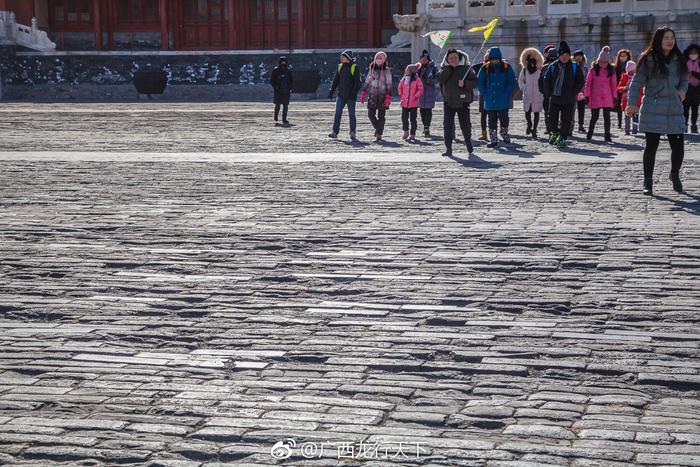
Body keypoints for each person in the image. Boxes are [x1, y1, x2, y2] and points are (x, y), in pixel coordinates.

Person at [627, 26, 689, 195]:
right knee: (651, 146)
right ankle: (648, 181)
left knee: (678, 147)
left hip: (674, 107)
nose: (670, 41)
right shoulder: (648, 59)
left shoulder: (679, 58)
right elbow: (636, 83)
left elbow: (684, 78)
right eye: (666, 37)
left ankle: (674, 174)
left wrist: (682, 91)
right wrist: (631, 104)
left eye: (672, 37)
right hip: (653, 107)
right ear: (658, 40)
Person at [543, 41, 585, 148]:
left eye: (567, 55)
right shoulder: (552, 66)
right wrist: (548, 93)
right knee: (552, 119)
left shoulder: (574, 67)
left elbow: (580, 81)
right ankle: (555, 133)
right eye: (563, 55)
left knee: (566, 120)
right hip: (555, 98)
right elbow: (547, 80)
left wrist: (574, 91)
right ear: (559, 55)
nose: (565, 57)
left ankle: (562, 137)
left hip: (568, 99)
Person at [437, 48, 477, 156]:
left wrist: (464, 84)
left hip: (463, 102)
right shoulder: (444, 69)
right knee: (448, 126)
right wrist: (449, 69)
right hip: (448, 102)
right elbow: (440, 79)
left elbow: (474, 82)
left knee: (465, 125)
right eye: (451, 58)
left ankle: (468, 142)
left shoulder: (466, 69)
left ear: (459, 58)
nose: (454, 59)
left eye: (455, 57)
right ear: (447, 59)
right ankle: (448, 148)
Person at [477, 47, 517, 148]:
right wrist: (484, 93)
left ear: (499, 58)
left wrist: (507, 92)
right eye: (493, 59)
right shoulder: (485, 68)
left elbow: (512, 80)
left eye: (496, 59)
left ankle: (504, 132)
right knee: (491, 120)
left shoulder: (506, 67)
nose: (494, 61)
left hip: (503, 99)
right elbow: (480, 82)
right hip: (490, 99)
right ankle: (493, 138)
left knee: (504, 119)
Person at [585, 46, 618, 143]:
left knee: (607, 116)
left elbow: (613, 84)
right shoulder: (593, 70)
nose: (603, 64)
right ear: (598, 61)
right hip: (595, 96)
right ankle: (590, 132)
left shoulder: (611, 71)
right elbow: (588, 83)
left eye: (605, 62)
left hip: (607, 96)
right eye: (601, 61)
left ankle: (607, 134)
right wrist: (587, 95)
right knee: (594, 116)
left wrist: (614, 97)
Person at [329, 49, 362, 139]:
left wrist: (353, 94)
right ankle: (334, 132)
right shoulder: (340, 66)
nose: (341, 58)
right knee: (337, 113)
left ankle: (352, 132)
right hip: (341, 95)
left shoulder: (355, 67)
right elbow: (336, 80)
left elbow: (358, 83)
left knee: (352, 115)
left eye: (343, 56)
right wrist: (332, 91)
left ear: (348, 58)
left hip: (351, 96)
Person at [360, 51, 392, 142]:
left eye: (380, 58)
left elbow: (389, 84)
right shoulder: (372, 69)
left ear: (384, 59)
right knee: (370, 115)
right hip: (373, 95)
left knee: (381, 116)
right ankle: (379, 129)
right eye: (377, 58)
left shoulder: (387, 70)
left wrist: (388, 96)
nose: (378, 60)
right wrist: (363, 92)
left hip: (383, 96)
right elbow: (367, 81)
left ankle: (379, 134)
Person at [518, 47, 545, 139]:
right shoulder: (525, 70)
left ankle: (534, 129)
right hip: (528, 94)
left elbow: (543, 81)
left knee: (536, 113)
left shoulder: (540, 69)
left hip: (538, 94)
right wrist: (524, 88)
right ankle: (529, 124)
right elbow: (520, 80)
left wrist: (542, 89)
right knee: (527, 112)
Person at [398, 62, 424, 142]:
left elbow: (420, 89)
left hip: (414, 103)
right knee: (404, 118)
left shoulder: (417, 79)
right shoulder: (404, 79)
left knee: (413, 119)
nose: (405, 71)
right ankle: (406, 131)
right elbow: (400, 88)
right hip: (404, 103)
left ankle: (412, 134)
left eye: (407, 69)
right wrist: (401, 96)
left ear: (411, 71)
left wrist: (416, 96)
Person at [417, 50, 439, 137]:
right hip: (420, 92)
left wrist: (431, 81)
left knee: (428, 110)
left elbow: (437, 78)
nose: (423, 60)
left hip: (429, 91)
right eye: (422, 58)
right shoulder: (418, 67)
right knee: (422, 110)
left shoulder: (433, 67)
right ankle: (424, 126)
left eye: (425, 58)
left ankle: (427, 127)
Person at [618, 60, 642, 135]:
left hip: (636, 99)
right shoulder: (624, 77)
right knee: (627, 116)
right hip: (626, 100)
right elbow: (619, 88)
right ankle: (627, 129)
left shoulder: (638, 77)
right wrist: (625, 88)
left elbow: (641, 87)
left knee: (635, 115)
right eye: (632, 70)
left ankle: (635, 129)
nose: (633, 71)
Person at [539, 45, 559, 134]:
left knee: (548, 112)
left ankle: (550, 128)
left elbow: (540, 81)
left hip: (549, 93)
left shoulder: (544, 67)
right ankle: (551, 127)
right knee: (552, 111)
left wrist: (542, 90)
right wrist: (542, 90)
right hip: (551, 93)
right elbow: (540, 81)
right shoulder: (545, 67)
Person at [270, 56, 293, 124]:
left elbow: (291, 80)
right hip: (278, 90)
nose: (283, 63)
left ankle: (284, 119)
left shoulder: (288, 70)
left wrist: (290, 87)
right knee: (278, 105)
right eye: (282, 62)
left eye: (284, 62)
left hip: (286, 90)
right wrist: (275, 86)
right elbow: (272, 80)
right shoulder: (275, 70)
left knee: (285, 106)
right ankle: (276, 115)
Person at [613, 48, 633, 129]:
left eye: (624, 56)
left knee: (628, 105)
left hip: (628, 88)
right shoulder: (615, 67)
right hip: (619, 88)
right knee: (619, 106)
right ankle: (619, 123)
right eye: (621, 56)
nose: (623, 57)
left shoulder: (631, 66)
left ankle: (629, 123)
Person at [683, 44, 700, 134]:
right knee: (685, 109)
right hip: (686, 88)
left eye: (695, 53)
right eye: (691, 53)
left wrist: (693, 73)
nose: (693, 54)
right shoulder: (685, 62)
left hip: (697, 89)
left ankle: (694, 125)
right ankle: (684, 125)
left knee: (695, 109)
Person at [472, 53, 489, 141]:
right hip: (482, 94)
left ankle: (492, 132)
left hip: (492, 94)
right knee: (483, 114)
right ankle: (484, 133)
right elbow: (471, 69)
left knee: (493, 115)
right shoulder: (480, 67)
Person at [572, 50, 589, 133]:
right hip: (573, 90)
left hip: (582, 91)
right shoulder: (571, 66)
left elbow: (587, 79)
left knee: (581, 108)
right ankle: (571, 124)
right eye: (577, 56)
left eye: (580, 56)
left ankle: (581, 125)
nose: (578, 57)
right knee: (571, 108)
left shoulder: (585, 68)